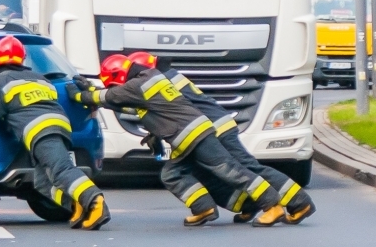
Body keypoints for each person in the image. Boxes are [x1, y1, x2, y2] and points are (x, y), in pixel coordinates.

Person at [74, 53, 289, 227]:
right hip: (189, 135)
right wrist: (93, 90)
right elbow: (125, 105)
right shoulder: (148, 79)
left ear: (118, 77)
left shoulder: (137, 86)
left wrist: (78, 95)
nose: (115, 88)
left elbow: (108, 97)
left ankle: (272, 205)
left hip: (193, 135)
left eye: (113, 84)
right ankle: (204, 208)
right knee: (172, 173)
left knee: (231, 170)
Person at [142, 53, 315, 225]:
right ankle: (248, 204)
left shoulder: (158, 83)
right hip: (211, 125)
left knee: (247, 166)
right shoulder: (169, 76)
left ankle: (299, 202)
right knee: (189, 171)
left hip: (211, 128)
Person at [0, 35, 109, 230]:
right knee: (42, 183)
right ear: (23, 58)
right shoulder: (41, 79)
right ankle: (77, 204)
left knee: (61, 169)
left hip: (40, 130)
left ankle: (95, 201)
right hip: (60, 125)